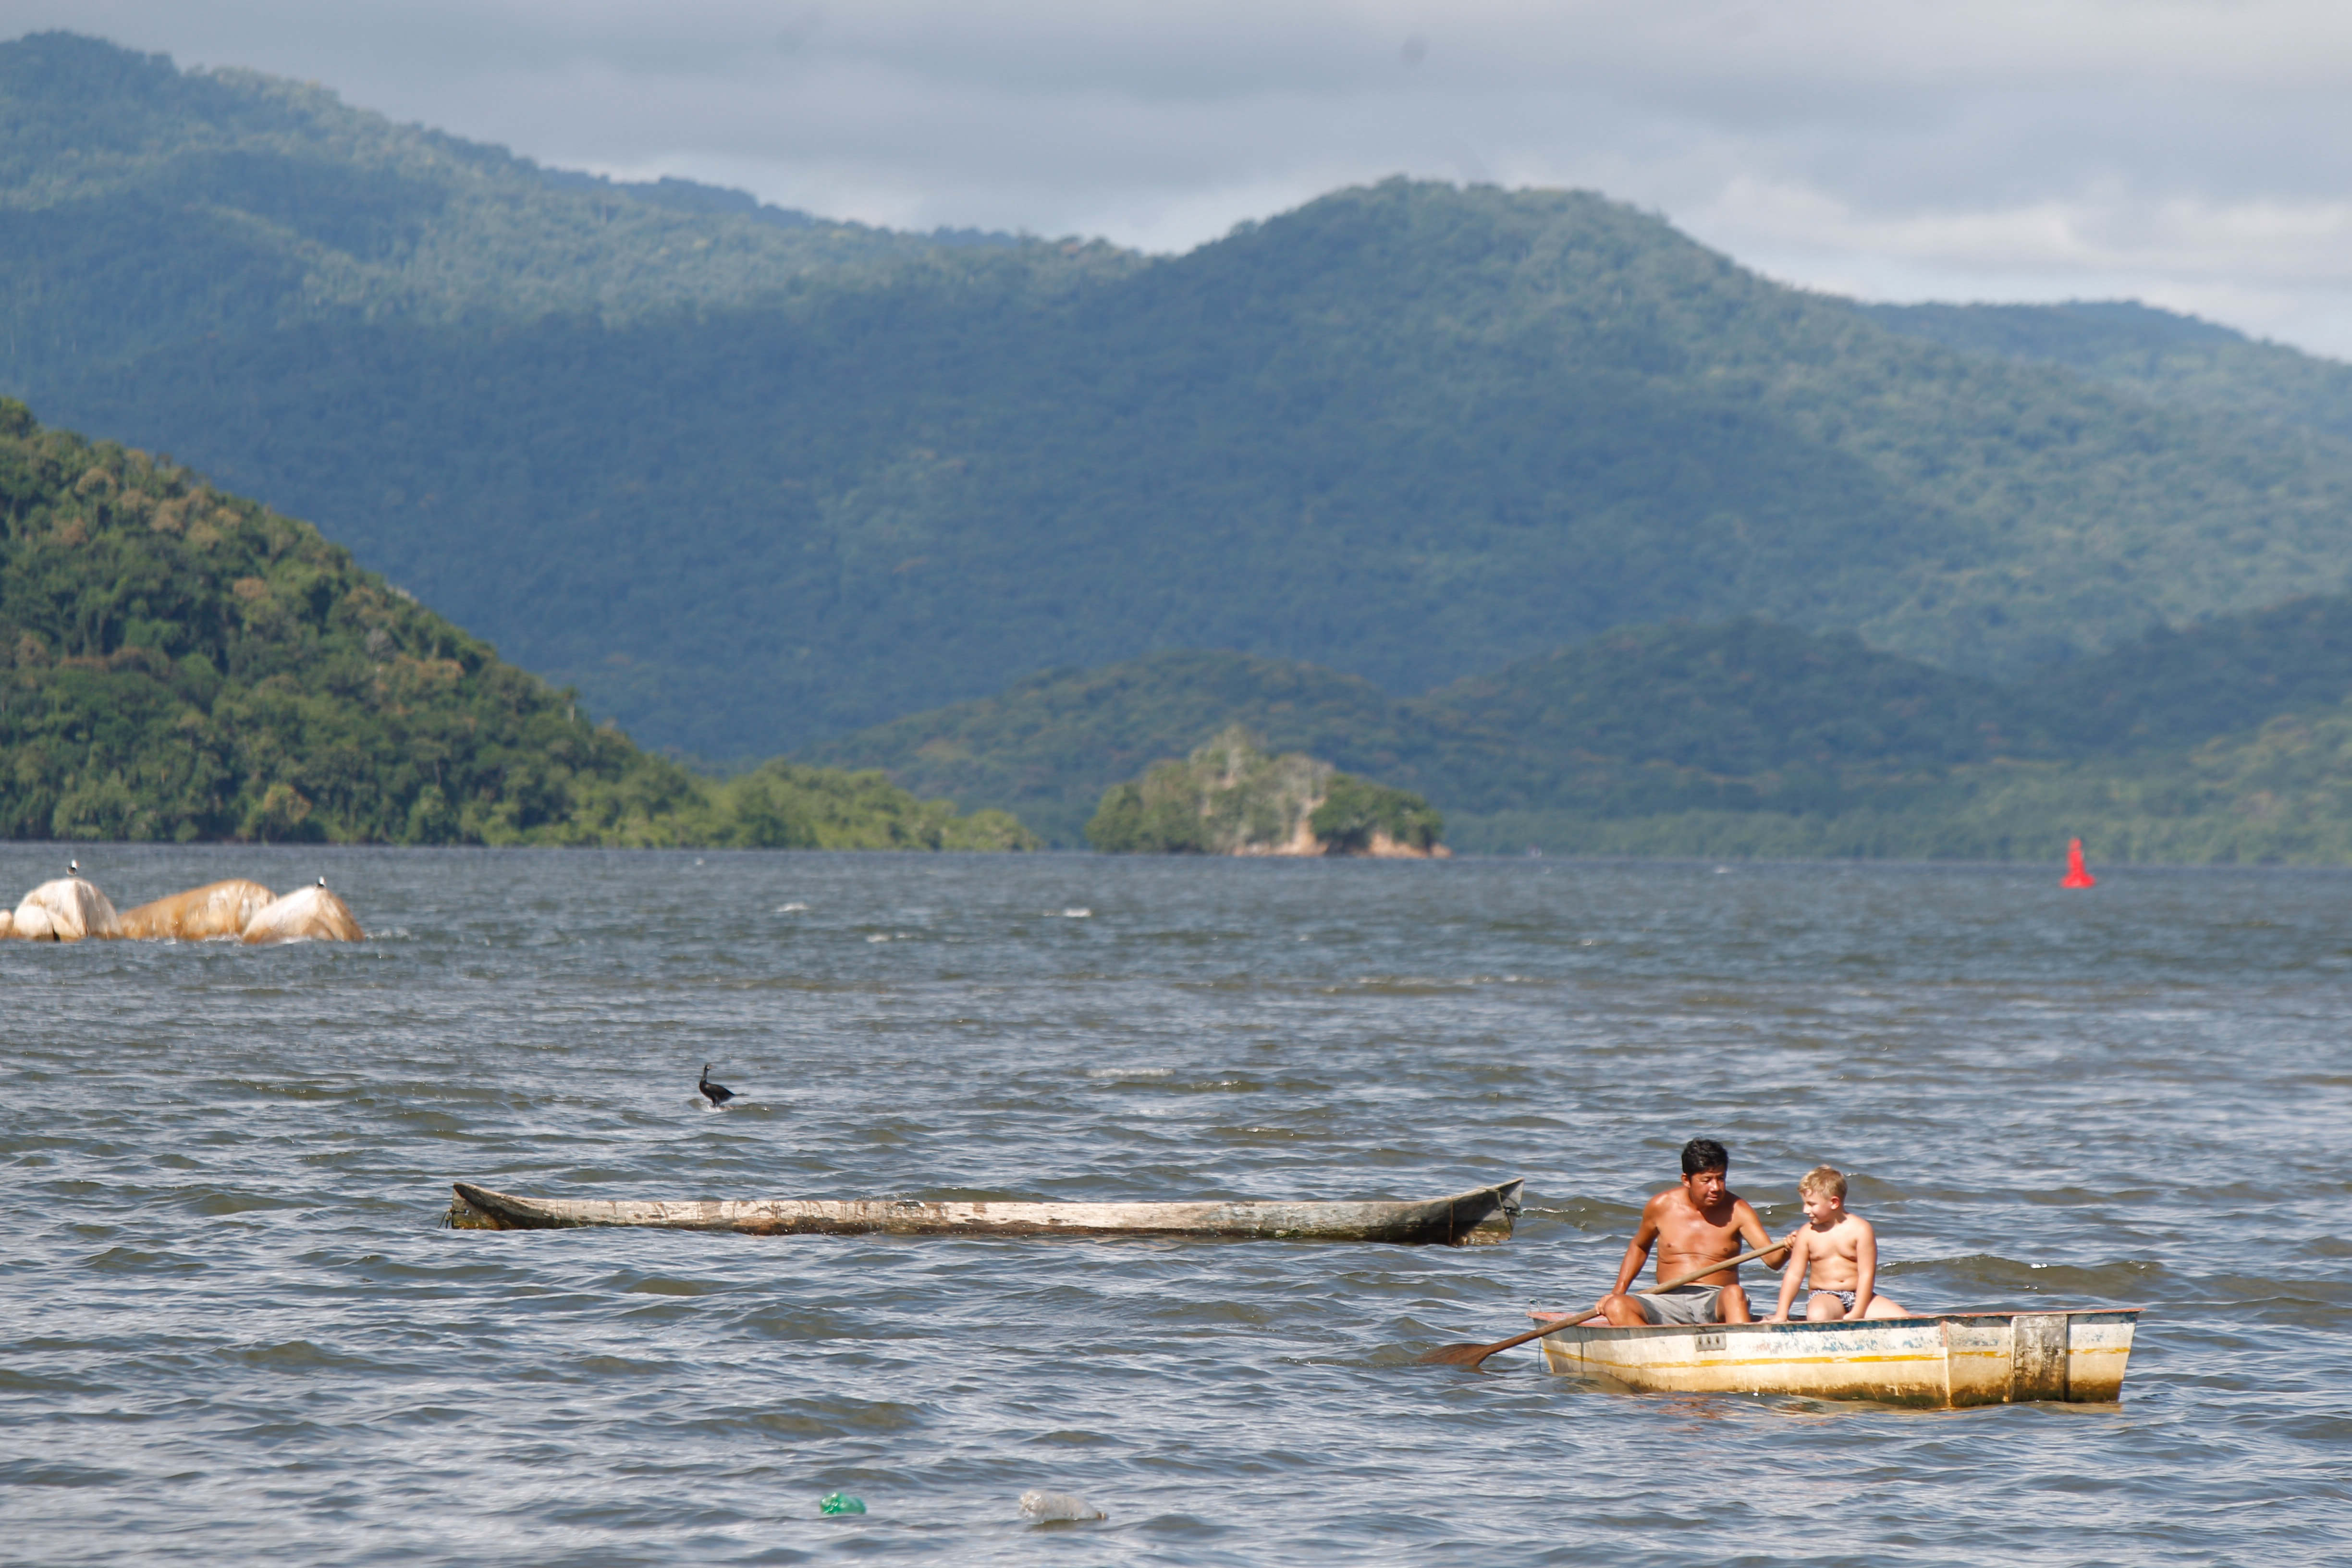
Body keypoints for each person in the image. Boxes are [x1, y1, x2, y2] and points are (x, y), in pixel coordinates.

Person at [1593, 1138, 1787, 1326]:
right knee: (1616, 1306)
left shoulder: (1739, 1211)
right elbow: (1639, 1247)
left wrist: (1791, 1245)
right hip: (1666, 1299)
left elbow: (1773, 1260)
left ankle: (1739, 1345)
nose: (1716, 1188)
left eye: (1721, 1178)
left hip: (1714, 1300)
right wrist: (1618, 1291)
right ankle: (1658, 1344)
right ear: (1687, 1180)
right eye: (1707, 1180)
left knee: (1735, 1294)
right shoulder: (1661, 1206)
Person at [1767, 1164, 1910, 1322]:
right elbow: (1794, 1275)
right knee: (1818, 1316)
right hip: (1824, 1295)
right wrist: (1781, 1314)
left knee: (1906, 1320)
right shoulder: (1807, 1234)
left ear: (1834, 1202)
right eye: (1805, 1204)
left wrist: (1858, 1312)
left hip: (1859, 1296)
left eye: (1812, 1204)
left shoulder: (1861, 1230)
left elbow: (1866, 1275)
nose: (1805, 1210)